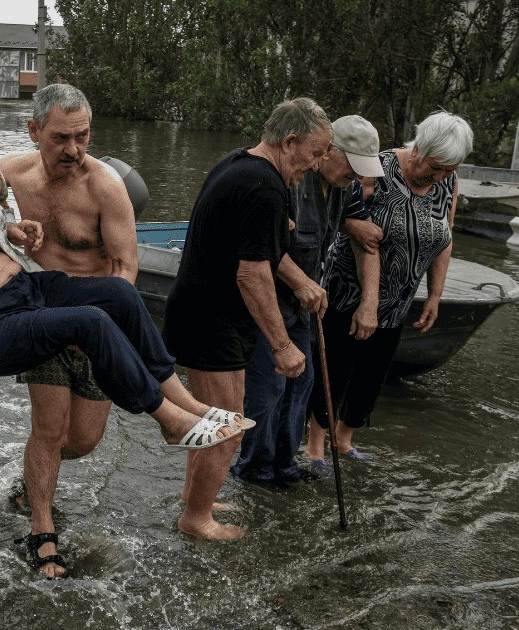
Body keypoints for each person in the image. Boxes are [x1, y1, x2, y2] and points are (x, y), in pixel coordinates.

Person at [0, 88, 251, 551]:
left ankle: (187, 405)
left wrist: (14, 228)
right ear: (34, 132)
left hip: (34, 296)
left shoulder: (86, 183)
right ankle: (157, 431)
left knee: (117, 301)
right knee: (62, 391)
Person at [163, 97, 330, 537]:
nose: (315, 166)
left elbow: (257, 249)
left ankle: (193, 498)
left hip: (201, 311)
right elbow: (253, 274)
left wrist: (295, 274)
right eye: (314, 154)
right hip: (211, 319)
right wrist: (282, 345)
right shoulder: (265, 187)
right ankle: (196, 520)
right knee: (228, 428)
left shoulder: (239, 163)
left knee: (211, 421)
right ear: (290, 141)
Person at [0, 83, 138, 578]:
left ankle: (30, 482)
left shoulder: (105, 187)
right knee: (50, 430)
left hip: (95, 329)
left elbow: (125, 269)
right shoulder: (10, 175)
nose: (74, 150)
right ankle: (42, 533)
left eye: (83, 137)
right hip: (42, 319)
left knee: (83, 440)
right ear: (34, 131)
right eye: (61, 138)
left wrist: (102, 327)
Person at [306, 111, 474, 464]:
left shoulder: (448, 183)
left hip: (399, 297)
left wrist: (436, 295)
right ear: (421, 148)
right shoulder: (375, 168)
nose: (442, 175)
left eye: (450, 168)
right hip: (350, 290)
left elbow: (444, 239)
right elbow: (343, 212)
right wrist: (356, 229)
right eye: (438, 165)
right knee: (334, 367)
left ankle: (343, 439)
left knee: (371, 375)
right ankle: (314, 444)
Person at [230, 115, 385, 486]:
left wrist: (369, 303)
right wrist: (302, 282)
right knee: (269, 387)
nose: (358, 178)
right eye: (352, 166)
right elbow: (261, 247)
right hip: (269, 302)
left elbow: (366, 242)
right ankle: (255, 470)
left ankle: (285, 466)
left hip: (304, 308)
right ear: (329, 151)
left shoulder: (345, 189)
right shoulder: (291, 180)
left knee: (303, 383)